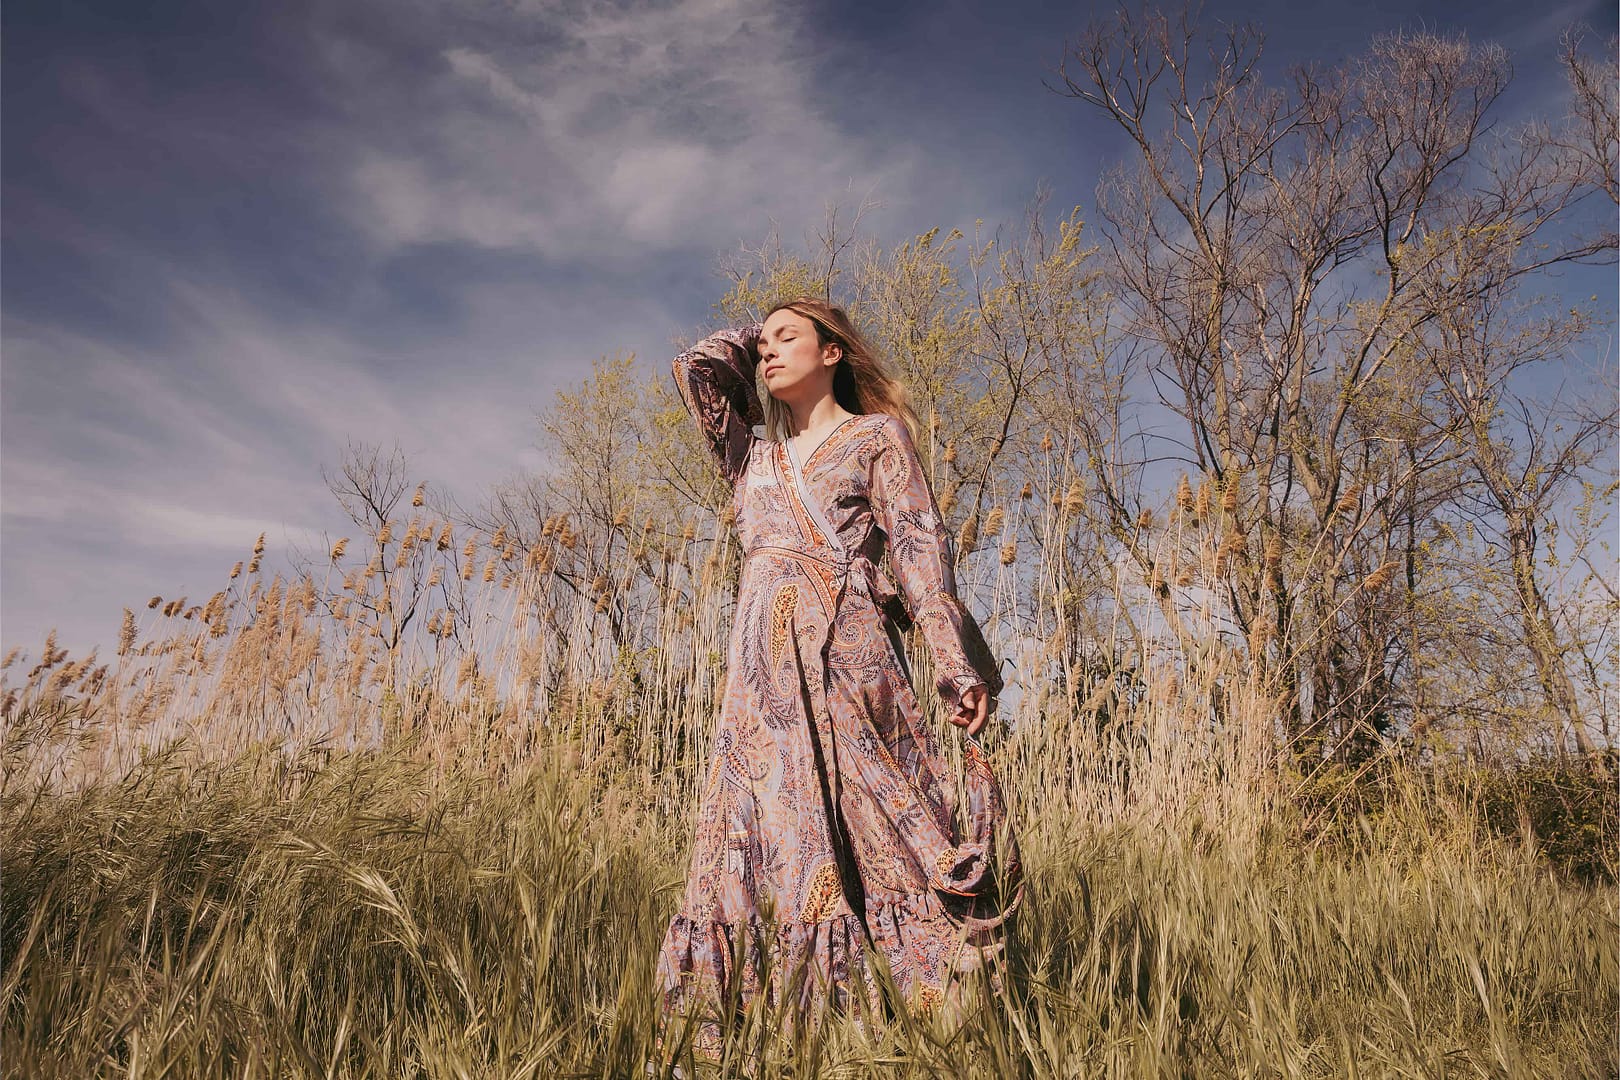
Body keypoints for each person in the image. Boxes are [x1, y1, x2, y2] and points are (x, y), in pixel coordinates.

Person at [655, 298, 1021, 1056]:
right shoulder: (750, 458)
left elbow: (920, 548)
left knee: (882, 825)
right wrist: (755, 334)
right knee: (762, 835)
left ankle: (936, 1019)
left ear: (833, 353)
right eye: (762, 344)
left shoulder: (875, 437)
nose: (768, 352)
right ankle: (777, 1033)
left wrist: (954, 664)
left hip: (850, 659)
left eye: (789, 338)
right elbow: (693, 370)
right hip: (758, 686)